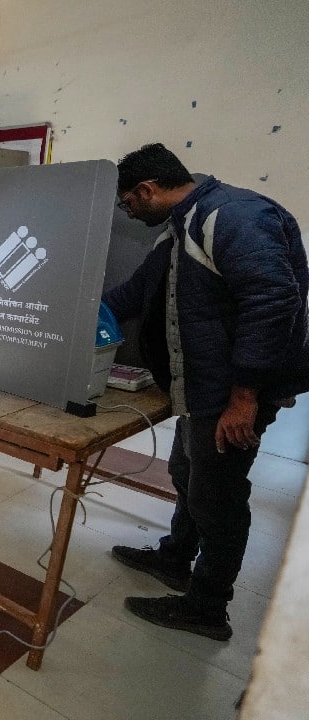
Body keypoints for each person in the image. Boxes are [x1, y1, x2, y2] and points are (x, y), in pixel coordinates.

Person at [104, 142, 309, 641]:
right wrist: (70, 310)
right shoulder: (178, 231)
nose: (128, 212)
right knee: (186, 473)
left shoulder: (231, 217)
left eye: (129, 202)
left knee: (217, 498)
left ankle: (207, 606)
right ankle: (176, 559)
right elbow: (133, 295)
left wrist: (245, 398)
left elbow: (273, 298)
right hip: (202, 389)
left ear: (148, 189)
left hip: (235, 394)